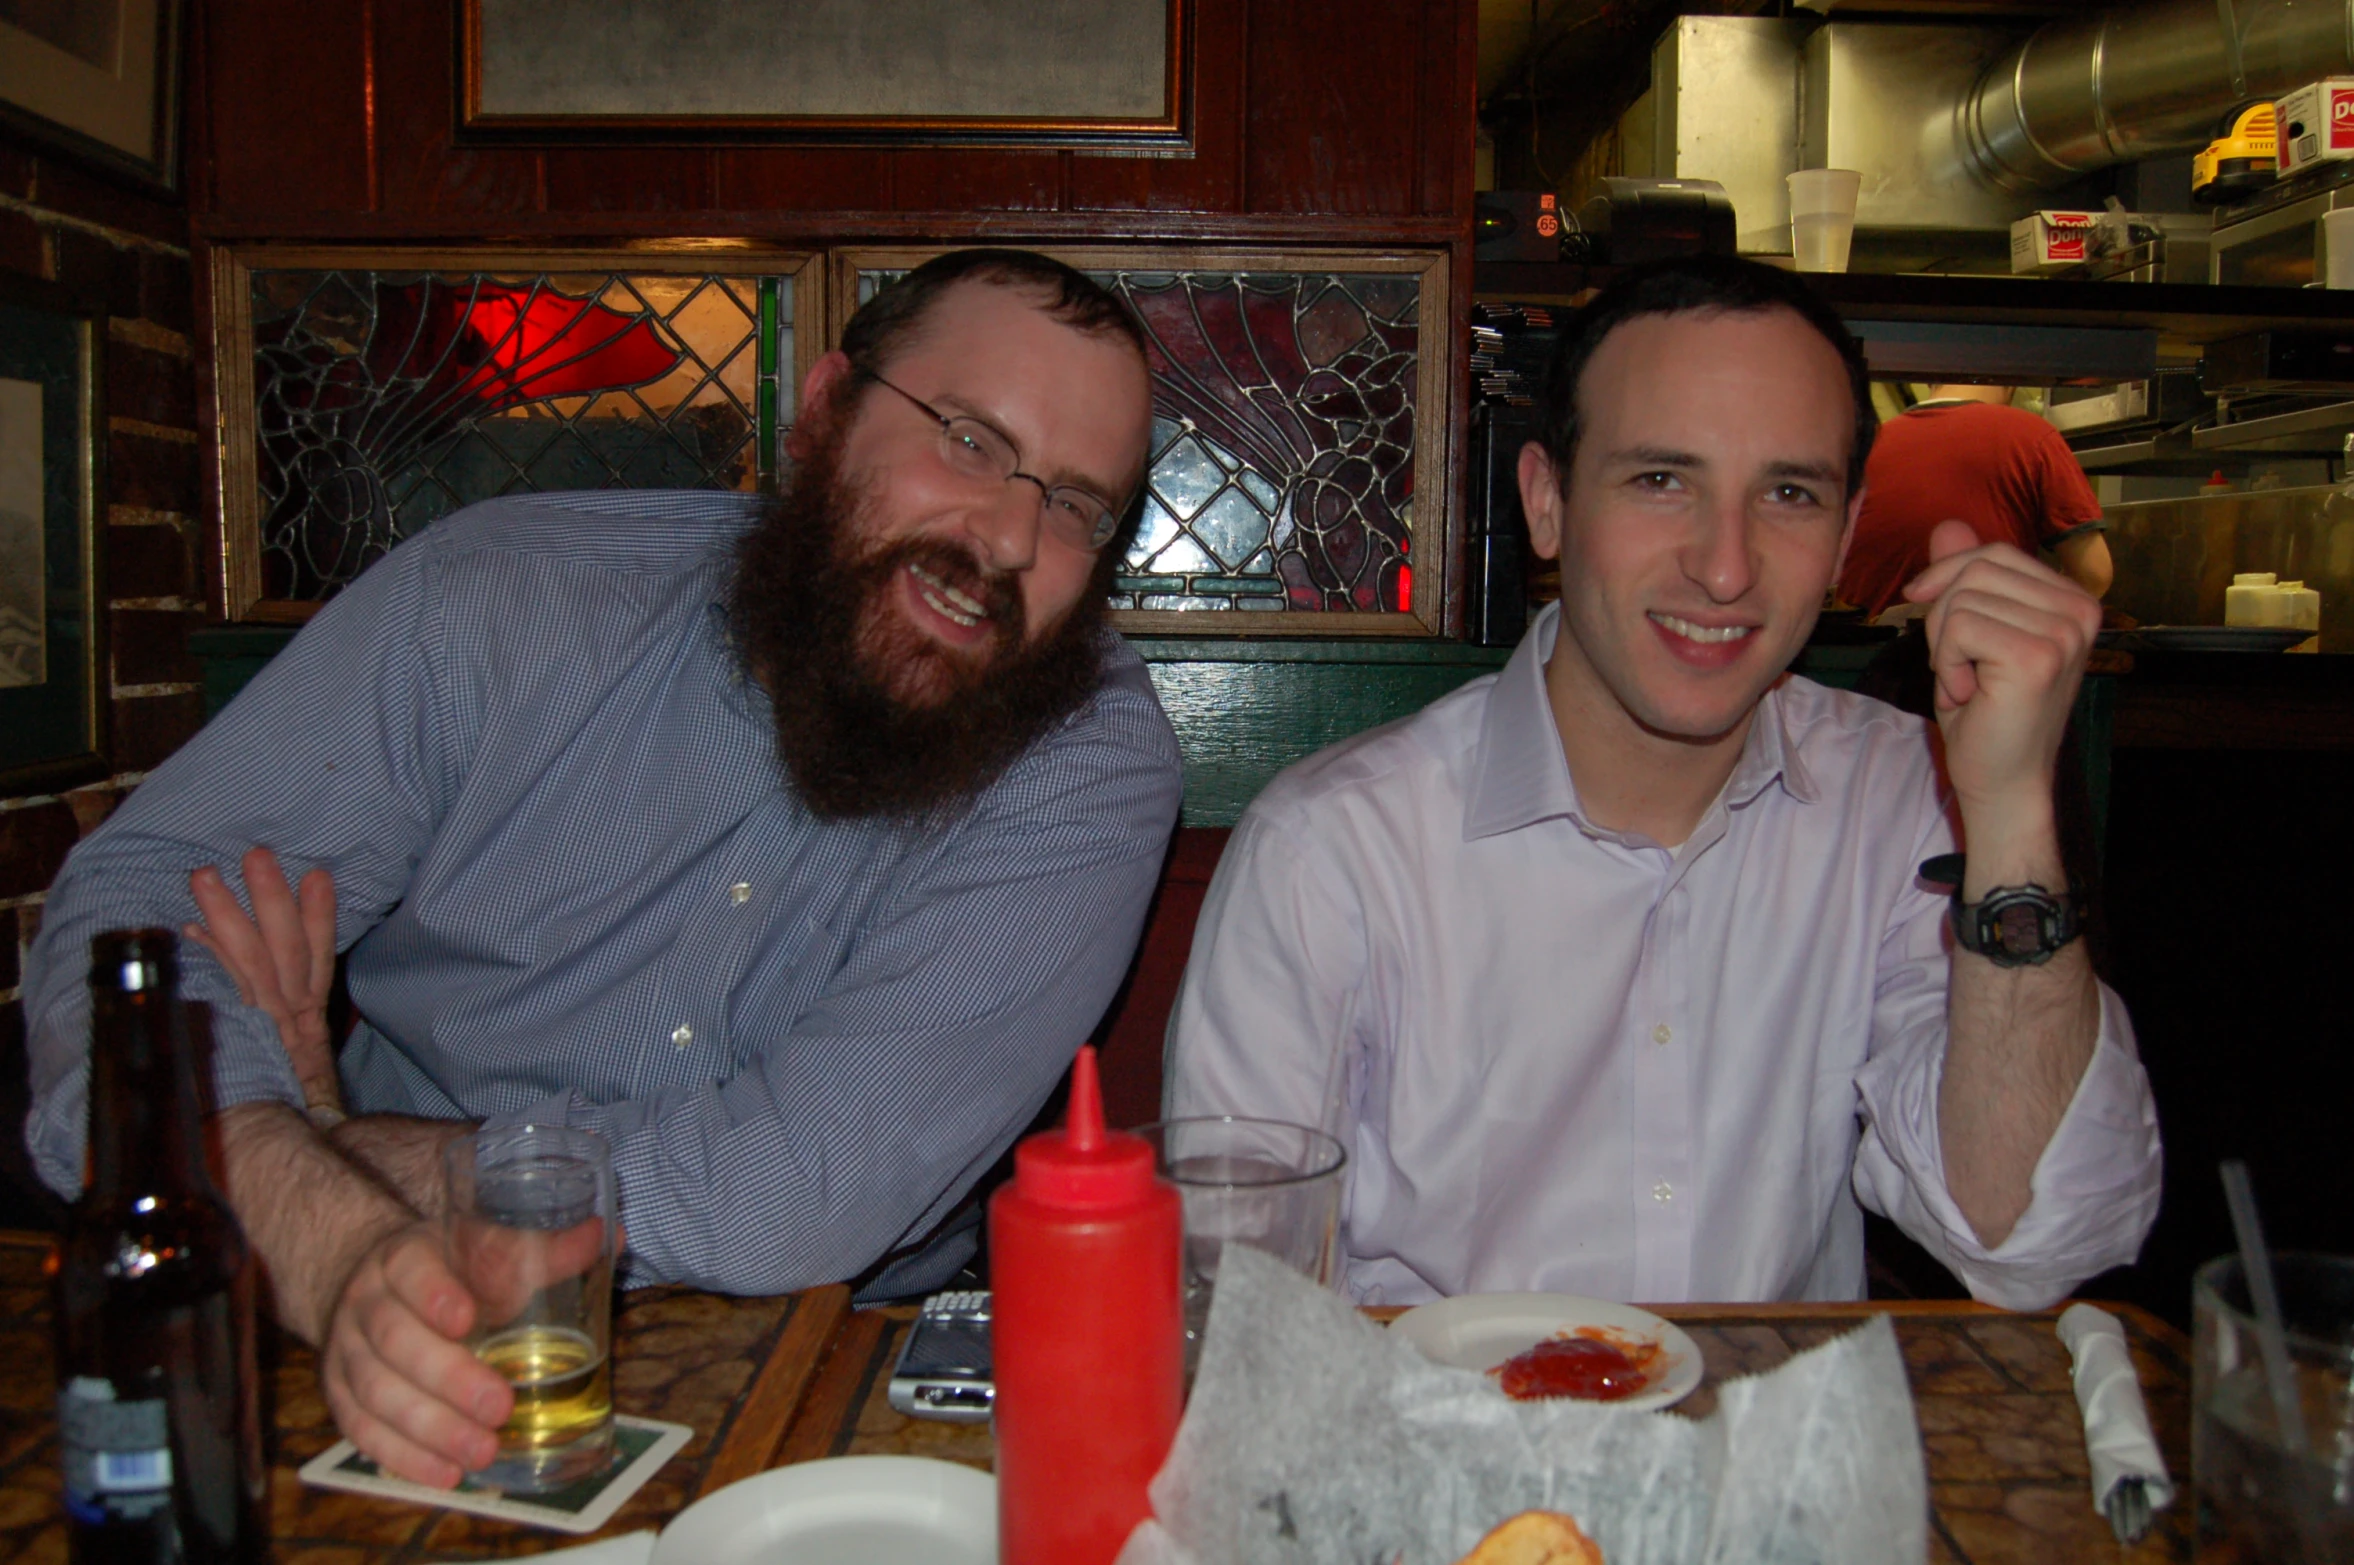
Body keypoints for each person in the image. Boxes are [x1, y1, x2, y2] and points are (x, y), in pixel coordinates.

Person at [23, 248, 1183, 1485]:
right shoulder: (499, 600)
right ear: (827, 408)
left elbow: (784, 1199)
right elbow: (133, 919)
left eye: (1073, 503)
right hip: (348, 1307)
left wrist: (341, 1143)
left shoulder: (1084, 760)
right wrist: (298, 1201)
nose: (1007, 537)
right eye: (963, 436)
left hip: (829, 1359)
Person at [1166, 256, 2159, 1311]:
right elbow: (1237, 1304)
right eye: (1659, 479)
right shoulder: (1332, 850)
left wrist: (2006, 809)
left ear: (1842, 540)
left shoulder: (1899, 797)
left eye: (1786, 492)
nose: (1723, 567)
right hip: (1437, 1452)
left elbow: (2030, 1238)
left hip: (1766, 1456)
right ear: (1546, 504)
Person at [1837, 383, 2113, 621]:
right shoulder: (2031, 436)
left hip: (1863, 666)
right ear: (2013, 383)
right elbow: (2093, 575)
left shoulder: (1863, 448)